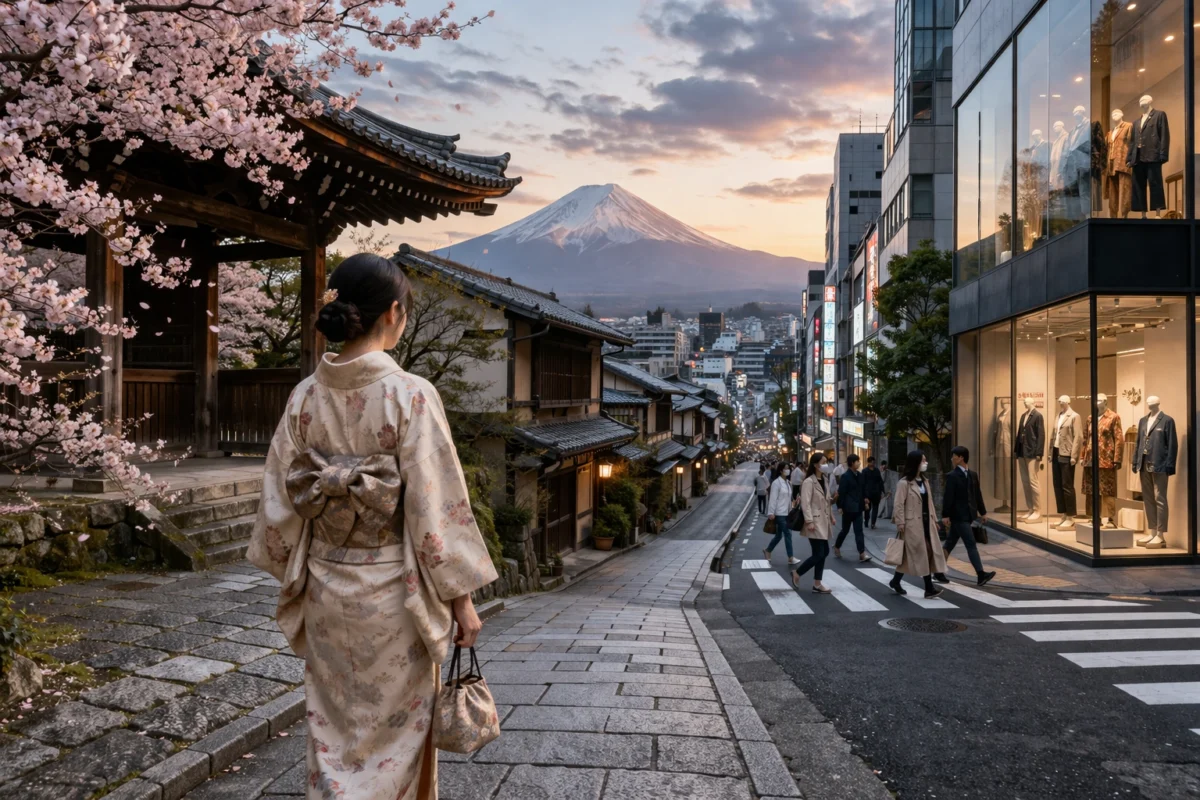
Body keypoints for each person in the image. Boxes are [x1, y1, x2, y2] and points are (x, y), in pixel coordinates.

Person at [248, 253, 498, 799]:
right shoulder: (410, 394)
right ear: (393, 313)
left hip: (325, 590)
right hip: (393, 599)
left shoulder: (305, 396)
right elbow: (437, 507)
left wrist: (294, 567)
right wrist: (461, 600)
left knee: (332, 736)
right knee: (395, 742)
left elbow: (279, 500)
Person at [888, 451, 949, 598]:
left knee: (914, 554)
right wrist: (900, 522)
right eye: (923, 460)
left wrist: (934, 520)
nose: (925, 463)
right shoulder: (904, 483)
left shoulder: (925, 481)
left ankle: (895, 581)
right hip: (911, 525)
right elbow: (898, 504)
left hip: (926, 523)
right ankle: (929, 588)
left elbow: (929, 502)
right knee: (924, 552)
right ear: (915, 463)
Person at [942, 445, 998, 587]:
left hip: (969, 515)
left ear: (961, 458)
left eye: (954, 456)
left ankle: (937, 570)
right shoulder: (952, 476)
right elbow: (948, 497)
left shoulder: (972, 475)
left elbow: (977, 494)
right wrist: (945, 515)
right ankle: (980, 574)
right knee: (971, 544)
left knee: (949, 544)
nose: (952, 458)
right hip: (959, 516)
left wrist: (983, 512)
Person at [792, 452, 834, 593]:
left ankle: (817, 583)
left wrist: (832, 516)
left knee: (824, 552)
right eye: (823, 462)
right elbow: (806, 503)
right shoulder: (808, 482)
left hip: (824, 521)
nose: (826, 465)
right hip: (814, 522)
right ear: (816, 465)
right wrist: (809, 521)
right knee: (819, 553)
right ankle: (798, 573)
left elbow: (827, 502)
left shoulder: (825, 480)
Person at [833, 454, 871, 562]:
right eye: (857, 461)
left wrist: (866, 498)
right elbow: (841, 492)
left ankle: (862, 553)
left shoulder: (860, 475)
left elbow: (863, 489)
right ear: (852, 463)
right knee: (845, 530)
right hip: (848, 508)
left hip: (858, 507)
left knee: (859, 530)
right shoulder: (845, 476)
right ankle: (837, 545)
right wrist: (840, 506)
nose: (859, 463)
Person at [763, 463, 798, 565]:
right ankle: (790, 557)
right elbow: (773, 498)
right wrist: (770, 512)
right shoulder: (776, 483)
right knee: (788, 533)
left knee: (779, 535)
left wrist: (794, 503)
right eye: (786, 468)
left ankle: (768, 550)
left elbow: (788, 498)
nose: (788, 470)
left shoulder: (787, 482)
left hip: (787, 513)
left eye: (789, 468)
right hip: (779, 513)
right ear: (781, 470)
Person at [862, 456, 884, 529]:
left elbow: (880, 481)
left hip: (876, 492)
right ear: (868, 462)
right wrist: (864, 495)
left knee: (875, 508)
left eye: (873, 462)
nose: (872, 463)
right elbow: (863, 483)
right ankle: (866, 521)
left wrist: (882, 491)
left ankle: (873, 523)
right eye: (871, 462)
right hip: (868, 493)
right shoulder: (864, 471)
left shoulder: (877, 470)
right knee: (868, 509)